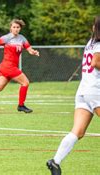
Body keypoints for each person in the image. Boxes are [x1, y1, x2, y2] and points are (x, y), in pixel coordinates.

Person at [46, 16, 100, 175]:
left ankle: (55, 161)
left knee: (78, 131)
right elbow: (95, 63)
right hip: (95, 90)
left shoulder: (90, 44)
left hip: (83, 91)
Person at [0, 19, 39, 114]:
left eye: (18, 27)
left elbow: (29, 49)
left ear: (20, 28)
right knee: (25, 82)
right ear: (10, 28)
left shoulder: (22, 38)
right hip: (8, 66)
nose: (16, 29)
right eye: (14, 27)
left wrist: (33, 52)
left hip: (7, 67)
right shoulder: (7, 38)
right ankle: (21, 106)